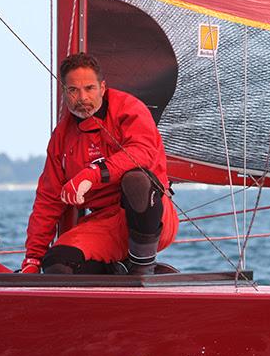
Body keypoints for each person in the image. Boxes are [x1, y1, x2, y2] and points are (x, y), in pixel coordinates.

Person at [21, 53, 179, 275]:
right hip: (104, 223)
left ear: (102, 88)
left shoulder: (128, 109)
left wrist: (93, 174)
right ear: (64, 92)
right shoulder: (61, 138)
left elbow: (142, 152)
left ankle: (143, 267)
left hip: (152, 215)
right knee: (57, 266)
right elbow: (48, 199)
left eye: (89, 88)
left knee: (136, 180)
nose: (82, 97)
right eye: (73, 90)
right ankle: (116, 269)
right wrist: (33, 258)